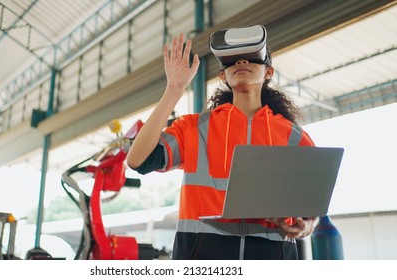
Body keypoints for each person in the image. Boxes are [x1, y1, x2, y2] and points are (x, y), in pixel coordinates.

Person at [126, 29, 317, 260]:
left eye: (251, 57)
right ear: (223, 76)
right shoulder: (194, 128)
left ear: (269, 72)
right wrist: (174, 89)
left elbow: (311, 206)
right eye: (232, 60)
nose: (242, 61)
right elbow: (138, 160)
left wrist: (307, 226)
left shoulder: (293, 137)